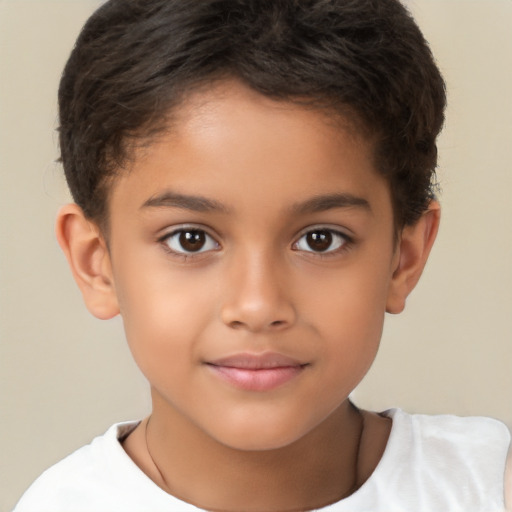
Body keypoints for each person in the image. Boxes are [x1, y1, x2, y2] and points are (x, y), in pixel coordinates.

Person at [13, 0, 511, 511]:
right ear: (96, 262)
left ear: (403, 259)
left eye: (321, 239)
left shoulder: (485, 488)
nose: (257, 305)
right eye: (190, 239)